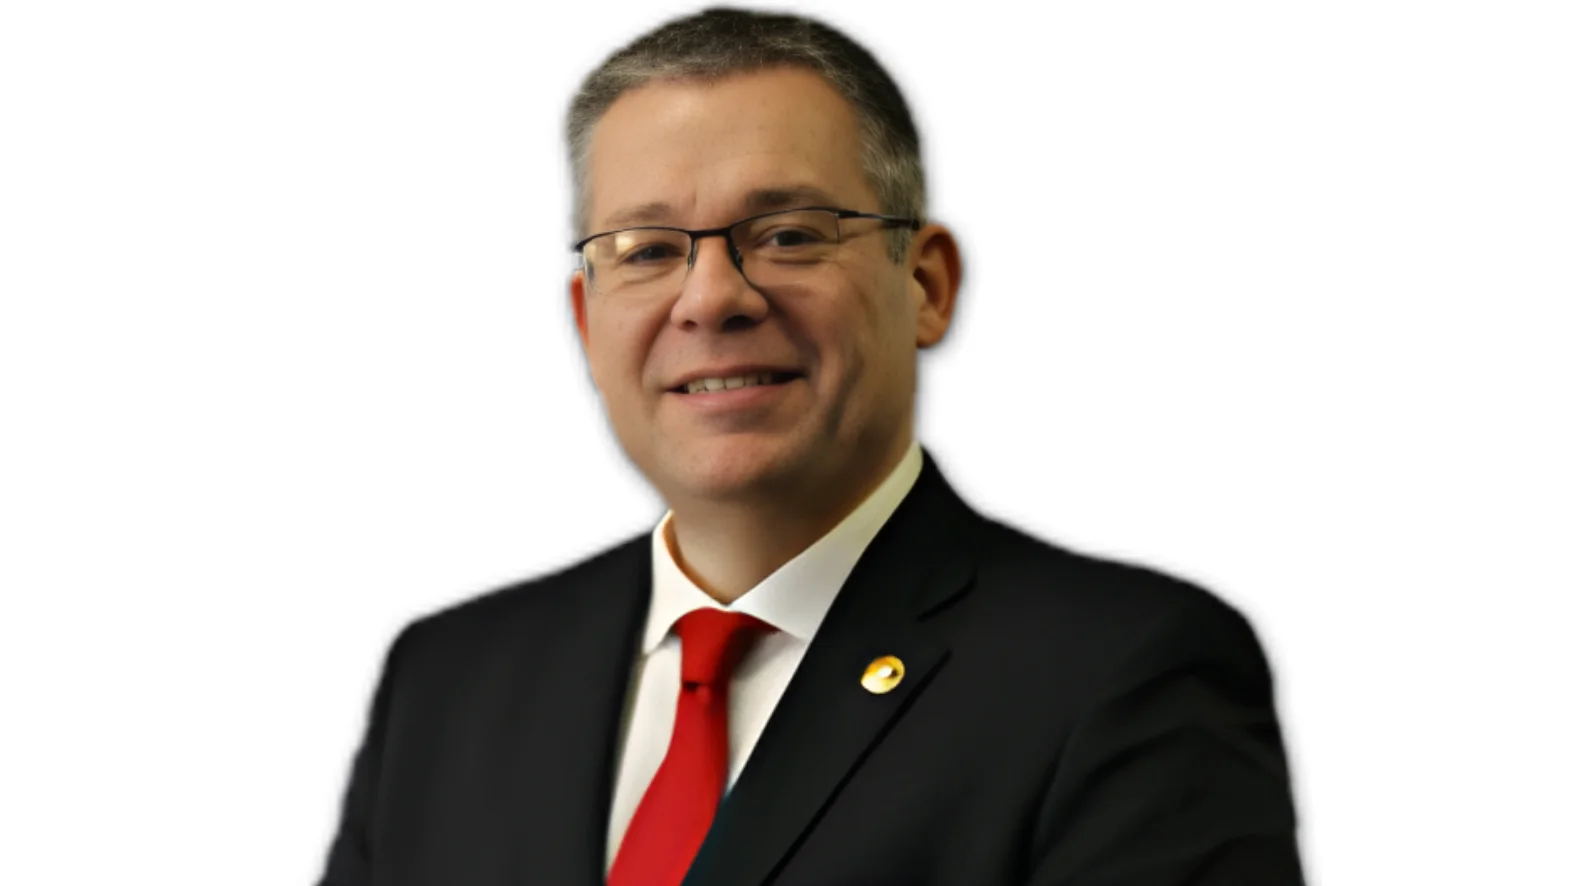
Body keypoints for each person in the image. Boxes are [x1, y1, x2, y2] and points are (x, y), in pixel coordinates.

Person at [314, 7, 1306, 885]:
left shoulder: (1123, 674)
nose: (710, 299)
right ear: (585, 321)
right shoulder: (446, 683)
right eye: (648, 251)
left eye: (788, 234)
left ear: (925, 285)